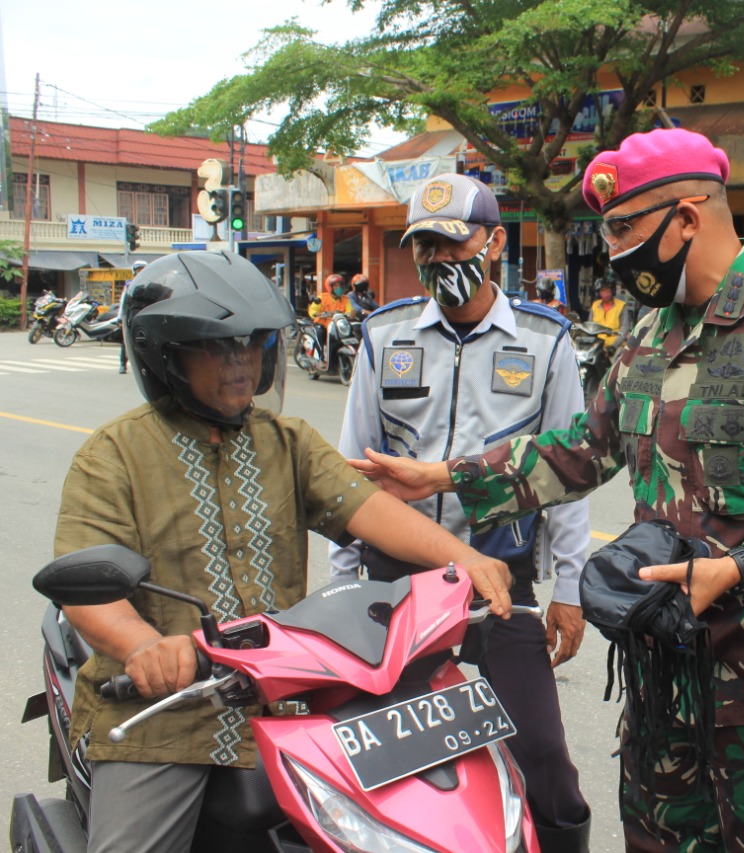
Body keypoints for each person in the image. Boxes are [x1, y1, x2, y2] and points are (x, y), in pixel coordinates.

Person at [350, 128, 744, 850]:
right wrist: (444, 476)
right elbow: (586, 447)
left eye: (623, 228)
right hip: (661, 673)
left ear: (686, 218)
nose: (614, 249)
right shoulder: (651, 333)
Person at [54, 250, 513, 853]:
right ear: (165, 356)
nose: (241, 362)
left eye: (252, 345)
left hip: (288, 706)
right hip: (163, 716)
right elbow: (90, 587)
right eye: (217, 348)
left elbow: (370, 510)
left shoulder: (287, 441)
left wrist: (462, 559)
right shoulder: (114, 455)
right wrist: (144, 647)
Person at [331, 172, 592, 852]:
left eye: (454, 243)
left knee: (543, 753)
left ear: (495, 242)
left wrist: (569, 589)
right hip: (398, 580)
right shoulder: (383, 334)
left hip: (500, 580)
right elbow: (347, 478)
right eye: (425, 246)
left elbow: (567, 473)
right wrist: (343, 586)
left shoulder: (545, 341)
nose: (439, 259)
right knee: (391, 758)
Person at [309, 273, 355, 364]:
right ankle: (319, 356)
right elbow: (312, 310)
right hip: (322, 324)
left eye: (340, 285)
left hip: (336, 326)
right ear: (330, 287)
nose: (339, 288)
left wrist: (351, 313)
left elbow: (350, 310)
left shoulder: (345, 299)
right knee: (319, 333)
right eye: (336, 286)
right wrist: (318, 314)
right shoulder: (322, 298)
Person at [118, 259, 147, 374]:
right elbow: (123, 302)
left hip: (143, 315)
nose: (140, 272)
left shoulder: (150, 284)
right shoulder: (129, 285)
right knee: (126, 341)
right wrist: (120, 317)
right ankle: (122, 364)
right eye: (138, 270)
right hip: (131, 315)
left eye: (142, 269)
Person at [588, 277, 625, 349]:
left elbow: (624, 329)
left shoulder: (621, 306)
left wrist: (614, 346)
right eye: (602, 291)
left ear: (612, 291)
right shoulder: (595, 305)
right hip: (597, 344)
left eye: (608, 290)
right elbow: (590, 326)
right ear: (598, 293)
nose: (605, 294)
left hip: (615, 345)